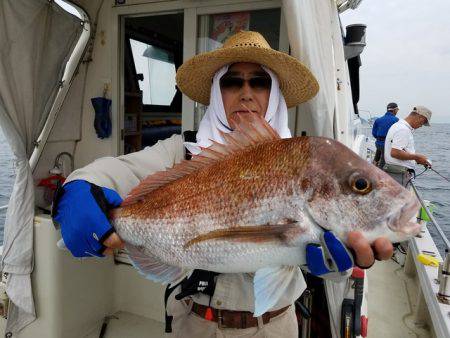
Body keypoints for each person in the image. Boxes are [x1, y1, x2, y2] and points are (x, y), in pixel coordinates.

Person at [53, 31, 393, 337]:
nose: (246, 93)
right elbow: (112, 171)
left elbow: (329, 261)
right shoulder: (182, 151)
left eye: (259, 82)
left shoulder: (307, 162)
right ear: (217, 91)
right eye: (233, 82)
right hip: (192, 321)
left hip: (274, 326)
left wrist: (337, 266)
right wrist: (80, 187)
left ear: (274, 92)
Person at [384, 106, 432, 186]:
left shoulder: (399, 126)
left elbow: (401, 150)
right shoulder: (403, 129)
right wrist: (417, 157)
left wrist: (416, 159)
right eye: (423, 122)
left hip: (396, 173)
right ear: (420, 117)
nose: (421, 126)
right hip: (398, 175)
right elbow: (395, 153)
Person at [371, 102, 399, 168]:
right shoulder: (396, 120)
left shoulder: (378, 120)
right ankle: (379, 173)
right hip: (387, 145)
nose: (397, 112)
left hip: (378, 143)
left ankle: (374, 163)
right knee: (383, 162)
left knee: (379, 151)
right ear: (394, 110)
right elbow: (398, 135)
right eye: (397, 110)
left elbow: (374, 134)